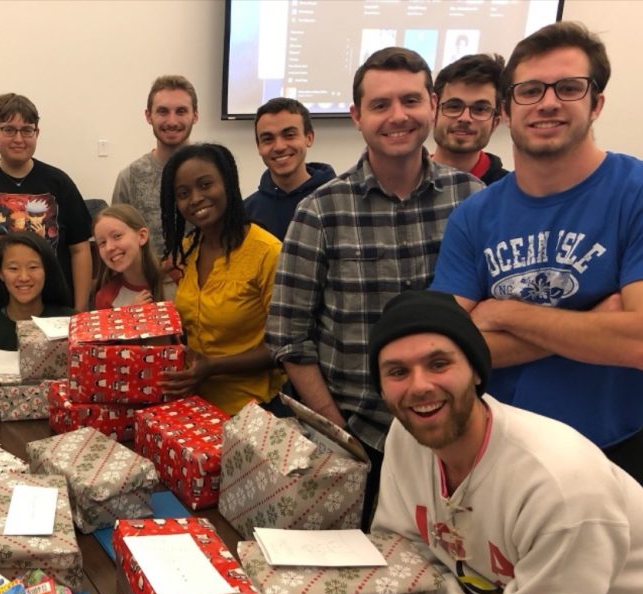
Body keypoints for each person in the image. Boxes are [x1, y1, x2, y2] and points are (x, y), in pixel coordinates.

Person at [369, 290, 643, 594]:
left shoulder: (558, 486)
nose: (419, 386)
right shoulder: (407, 437)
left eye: (439, 363)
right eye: (397, 372)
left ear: (477, 371)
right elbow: (400, 556)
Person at [265, 46, 483, 531]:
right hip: (360, 442)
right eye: (381, 105)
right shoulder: (321, 211)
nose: (398, 116)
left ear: (432, 104)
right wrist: (341, 435)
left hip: (458, 441)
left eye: (410, 101)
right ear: (357, 117)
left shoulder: (473, 200)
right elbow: (288, 338)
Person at [430, 21, 643, 485]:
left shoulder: (636, 193)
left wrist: (505, 312)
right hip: (503, 451)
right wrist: (596, 318)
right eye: (529, 90)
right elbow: (447, 351)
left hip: (619, 452)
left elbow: (640, 343)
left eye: (568, 87)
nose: (548, 102)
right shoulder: (473, 216)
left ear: (596, 103)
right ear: (506, 110)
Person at [158, 143, 284, 416]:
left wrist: (212, 366)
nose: (195, 198)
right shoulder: (188, 249)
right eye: (183, 193)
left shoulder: (267, 252)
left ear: (227, 183)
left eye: (205, 185)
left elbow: (281, 349)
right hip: (194, 406)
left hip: (252, 410)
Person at [0, 93, 92, 323]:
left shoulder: (59, 183)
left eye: (27, 130)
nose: (19, 138)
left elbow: (80, 249)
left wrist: (80, 311)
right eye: (9, 129)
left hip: (54, 314)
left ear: (37, 133)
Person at [0, 232, 74, 402]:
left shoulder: (73, 324)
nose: (24, 277)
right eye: (13, 268)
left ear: (46, 270)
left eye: (33, 267)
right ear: (0, 273)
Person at [112, 74, 199, 258]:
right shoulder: (130, 178)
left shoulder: (213, 173)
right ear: (148, 116)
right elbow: (118, 243)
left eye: (181, 111)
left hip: (207, 284)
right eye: (163, 111)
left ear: (195, 116)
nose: (172, 121)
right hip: (150, 285)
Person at [244, 97, 336, 239]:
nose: (279, 147)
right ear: (259, 147)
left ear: (309, 138)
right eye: (268, 139)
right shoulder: (246, 213)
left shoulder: (340, 201)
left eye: (289, 135)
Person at [431, 53, 509, 184]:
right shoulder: (403, 181)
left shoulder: (511, 192)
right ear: (433, 113)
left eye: (479, 109)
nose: (465, 118)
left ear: (495, 123)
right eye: (454, 106)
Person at [92, 204, 167, 310]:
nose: (109, 247)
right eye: (102, 242)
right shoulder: (104, 296)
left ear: (142, 236)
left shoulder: (176, 276)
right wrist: (129, 314)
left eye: (117, 236)